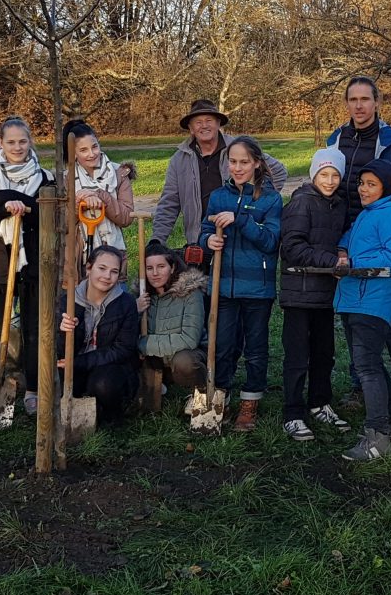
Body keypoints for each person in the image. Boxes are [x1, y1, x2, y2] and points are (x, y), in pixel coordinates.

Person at [327, 76, 391, 406]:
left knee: (386, 317)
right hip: (347, 229)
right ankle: (359, 383)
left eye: (366, 99)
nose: (359, 105)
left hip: (381, 230)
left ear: (378, 102)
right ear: (347, 103)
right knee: (353, 313)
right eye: (353, 99)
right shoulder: (336, 139)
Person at [0, 116, 53, 416]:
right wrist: (4, 208)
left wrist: (4, 200)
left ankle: (32, 389)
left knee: (32, 329)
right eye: (11, 142)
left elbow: (47, 215)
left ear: (30, 142)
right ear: (0, 143)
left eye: (23, 141)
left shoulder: (44, 178)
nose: (17, 147)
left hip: (32, 262)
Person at [198, 136, 283, 432]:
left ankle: (251, 400)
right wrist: (207, 240)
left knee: (256, 347)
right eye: (232, 162)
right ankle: (219, 395)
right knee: (221, 344)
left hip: (257, 288)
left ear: (257, 163)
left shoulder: (270, 199)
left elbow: (271, 241)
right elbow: (205, 230)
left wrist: (241, 220)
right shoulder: (218, 196)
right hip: (223, 286)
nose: (237, 167)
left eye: (244, 162)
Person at [334, 159, 391, 461]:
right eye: (361, 183)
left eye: (371, 184)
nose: (363, 189)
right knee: (372, 365)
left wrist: (355, 264)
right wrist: (343, 252)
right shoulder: (369, 214)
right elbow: (351, 240)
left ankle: (376, 436)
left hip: (374, 299)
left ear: (386, 187)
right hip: (356, 297)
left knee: (366, 366)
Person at [279, 148, 351, 442]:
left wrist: (342, 254)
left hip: (325, 293)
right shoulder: (301, 204)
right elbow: (292, 248)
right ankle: (293, 413)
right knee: (297, 356)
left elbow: (340, 238)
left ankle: (320, 402)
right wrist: (330, 262)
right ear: (314, 175)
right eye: (324, 174)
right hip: (299, 293)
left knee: (324, 353)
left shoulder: (338, 205)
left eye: (335, 175)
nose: (330, 180)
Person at [153, 99, 287, 248]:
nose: (204, 125)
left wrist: (255, 202)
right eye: (198, 122)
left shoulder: (238, 147)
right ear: (191, 128)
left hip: (237, 237)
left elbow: (279, 172)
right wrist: (157, 241)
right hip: (199, 240)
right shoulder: (179, 160)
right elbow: (169, 204)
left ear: (218, 124)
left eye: (209, 120)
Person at [59, 246, 141, 422]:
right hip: (72, 364)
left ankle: (113, 412)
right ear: (89, 268)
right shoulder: (68, 301)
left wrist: (80, 362)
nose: (107, 276)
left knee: (103, 384)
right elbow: (55, 348)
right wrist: (62, 332)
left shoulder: (126, 303)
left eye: (114, 272)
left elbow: (123, 349)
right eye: (101, 268)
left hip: (109, 366)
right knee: (55, 380)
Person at [64, 119, 136, 273]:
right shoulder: (66, 179)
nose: (92, 154)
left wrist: (99, 195)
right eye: (83, 150)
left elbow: (126, 217)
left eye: (95, 147)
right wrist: (80, 202)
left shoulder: (119, 173)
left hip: (114, 254)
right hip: (81, 259)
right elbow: (63, 223)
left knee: (116, 296)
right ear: (74, 154)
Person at [135, 242, 208, 395]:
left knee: (184, 362)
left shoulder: (190, 293)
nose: (155, 273)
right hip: (156, 359)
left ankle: (200, 390)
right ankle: (152, 390)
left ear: (172, 267)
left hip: (186, 355)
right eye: (149, 268)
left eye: (161, 266)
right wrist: (135, 311)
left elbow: (189, 339)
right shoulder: (141, 296)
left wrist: (144, 344)